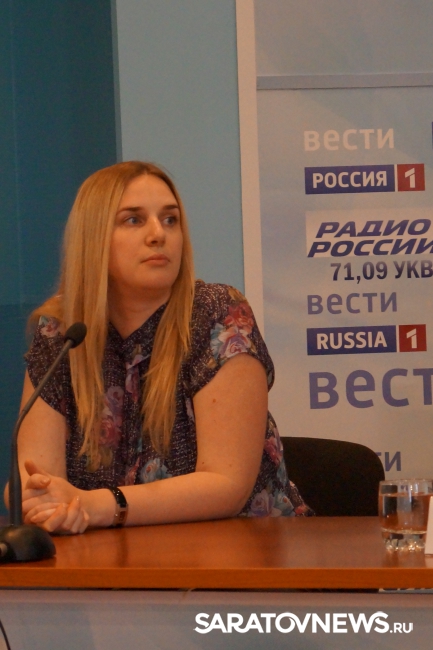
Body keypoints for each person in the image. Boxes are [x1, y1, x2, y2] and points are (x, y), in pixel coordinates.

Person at [7, 161, 312, 534]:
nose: (158, 234)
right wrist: (39, 498)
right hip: (111, 559)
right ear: (93, 237)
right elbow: (34, 475)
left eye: (170, 220)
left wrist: (96, 505)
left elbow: (227, 485)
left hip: (244, 552)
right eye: (133, 220)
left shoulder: (217, 314)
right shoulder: (62, 331)